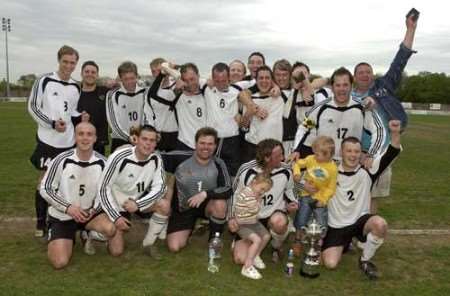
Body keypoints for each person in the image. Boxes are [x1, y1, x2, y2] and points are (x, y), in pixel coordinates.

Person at [352, 13, 418, 213]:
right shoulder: (349, 97)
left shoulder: (384, 86)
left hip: (383, 149)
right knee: (353, 193)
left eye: (368, 71)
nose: (365, 74)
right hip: (355, 152)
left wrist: (410, 29)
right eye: (360, 72)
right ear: (355, 77)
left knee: (373, 194)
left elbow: (400, 60)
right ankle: (351, 233)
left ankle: (368, 233)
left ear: (372, 75)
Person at [321, 120, 402, 280]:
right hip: (336, 226)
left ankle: (365, 260)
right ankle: (343, 244)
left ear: (361, 153)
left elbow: (392, 152)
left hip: (360, 222)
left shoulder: (368, 170)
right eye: (349, 151)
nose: (353, 155)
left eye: (356, 152)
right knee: (330, 264)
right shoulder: (330, 170)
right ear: (341, 152)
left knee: (380, 224)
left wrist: (394, 133)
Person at [28, 45, 87, 237]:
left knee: (65, 183)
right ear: (59, 61)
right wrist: (52, 123)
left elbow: (72, 111)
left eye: (72, 63)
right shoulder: (44, 80)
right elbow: (33, 108)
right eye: (66, 62)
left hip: (68, 142)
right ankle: (40, 224)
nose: (69, 66)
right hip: (48, 140)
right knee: (44, 181)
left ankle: (62, 221)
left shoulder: (75, 86)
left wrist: (81, 117)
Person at [40, 122, 116, 269]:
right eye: (81, 134)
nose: (85, 138)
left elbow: (107, 192)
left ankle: (88, 233)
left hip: (89, 214)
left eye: (89, 134)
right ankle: (64, 235)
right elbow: (46, 188)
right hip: (64, 214)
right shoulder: (61, 160)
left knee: (110, 229)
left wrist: (94, 209)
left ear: (95, 138)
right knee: (59, 262)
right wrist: (68, 208)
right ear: (75, 137)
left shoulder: (103, 163)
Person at [98, 125, 169, 259]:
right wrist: (115, 216)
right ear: (136, 140)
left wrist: (138, 204)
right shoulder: (119, 157)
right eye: (145, 139)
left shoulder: (156, 159)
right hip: (116, 204)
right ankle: (92, 234)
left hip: (135, 202)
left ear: (155, 143)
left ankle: (147, 245)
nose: (148, 143)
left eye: (152, 140)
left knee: (164, 205)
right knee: (116, 251)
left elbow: (160, 187)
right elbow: (103, 188)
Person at [292, 67, 385, 163]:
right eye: (338, 85)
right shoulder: (320, 108)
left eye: (345, 85)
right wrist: (296, 149)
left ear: (351, 86)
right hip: (324, 165)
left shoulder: (363, 108)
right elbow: (305, 128)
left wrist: (372, 154)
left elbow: (378, 129)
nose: (342, 89)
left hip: (350, 166)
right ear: (332, 87)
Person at [161, 127, 231, 252]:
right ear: (195, 144)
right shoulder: (180, 157)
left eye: (210, 144)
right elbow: (154, 157)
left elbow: (227, 189)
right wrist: (130, 148)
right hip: (183, 208)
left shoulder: (219, 163)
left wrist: (205, 194)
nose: (206, 147)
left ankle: (214, 240)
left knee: (220, 204)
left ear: (215, 146)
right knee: (174, 247)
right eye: (202, 143)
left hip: (206, 206)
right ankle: (190, 227)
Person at [229, 139, 297, 263]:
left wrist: (294, 202)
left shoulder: (286, 170)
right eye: (279, 155)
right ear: (267, 158)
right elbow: (234, 194)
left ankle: (276, 245)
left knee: (279, 222)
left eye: (282, 153)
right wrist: (231, 217)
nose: (283, 157)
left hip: (273, 215)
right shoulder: (247, 170)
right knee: (240, 259)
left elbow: (291, 189)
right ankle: (249, 241)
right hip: (250, 217)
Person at [291, 136, 337, 256]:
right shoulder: (311, 159)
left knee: (321, 224)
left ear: (329, 155)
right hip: (306, 195)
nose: (315, 156)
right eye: (315, 153)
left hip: (320, 199)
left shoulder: (332, 168)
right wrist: (297, 175)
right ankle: (298, 241)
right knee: (301, 219)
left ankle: (317, 247)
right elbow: (297, 164)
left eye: (318, 155)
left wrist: (323, 199)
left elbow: (331, 188)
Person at [203, 62, 244, 176]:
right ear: (212, 78)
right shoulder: (206, 87)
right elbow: (185, 77)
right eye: (217, 81)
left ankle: (231, 193)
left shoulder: (237, 88)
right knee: (214, 173)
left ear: (229, 78)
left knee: (233, 174)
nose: (220, 84)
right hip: (215, 138)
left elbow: (257, 81)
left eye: (224, 81)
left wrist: (275, 87)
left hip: (233, 139)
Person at [106, 61, 155, 152]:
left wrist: (145, 135)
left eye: (132, 78)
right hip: (120, 140)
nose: (129, 82)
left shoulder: (144, 92)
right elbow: (113, 122)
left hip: (141, 139)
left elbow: (148, 116)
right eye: (126, 79)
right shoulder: (112, 94)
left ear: (136, 76)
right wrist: (128, 137)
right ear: (120, 79)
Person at [232, 173, 273, 280]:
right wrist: (259, 200)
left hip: (253, 221)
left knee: (266, 236)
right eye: (262, 188)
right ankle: (247, 266)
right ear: (254, 182)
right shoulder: (248, 194)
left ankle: (255, 256)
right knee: (257, 240)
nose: (262, 192)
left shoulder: (253, 193)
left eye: (265, 190)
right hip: (242, 224)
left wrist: (258, 198)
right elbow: (254, 209)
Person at [241, 66, 285, 163]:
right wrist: (249, 112)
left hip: (275, 149)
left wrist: (277, 88)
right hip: (253, 148)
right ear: (256, 80)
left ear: (272, 80)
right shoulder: (250, 99)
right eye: (261, 78)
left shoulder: (281, 97)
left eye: (267, 78)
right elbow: (243, 126)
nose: (264, 81)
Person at [147, 58, 179, 152]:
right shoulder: (150, 92)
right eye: (153, 71)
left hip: (175, 134)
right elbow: (148, 115)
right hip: (158, 134)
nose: (157, 74)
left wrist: (173, 68)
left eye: (159, 70)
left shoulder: (175, 87)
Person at [77, 60, 109, 155]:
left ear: (97, 75)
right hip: (78, 143)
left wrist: (115, 82)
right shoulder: (74, 93)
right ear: (81, 74)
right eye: (87, 72)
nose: (90, 74)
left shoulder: (105, 92)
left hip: (99, 144)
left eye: (93, 72)